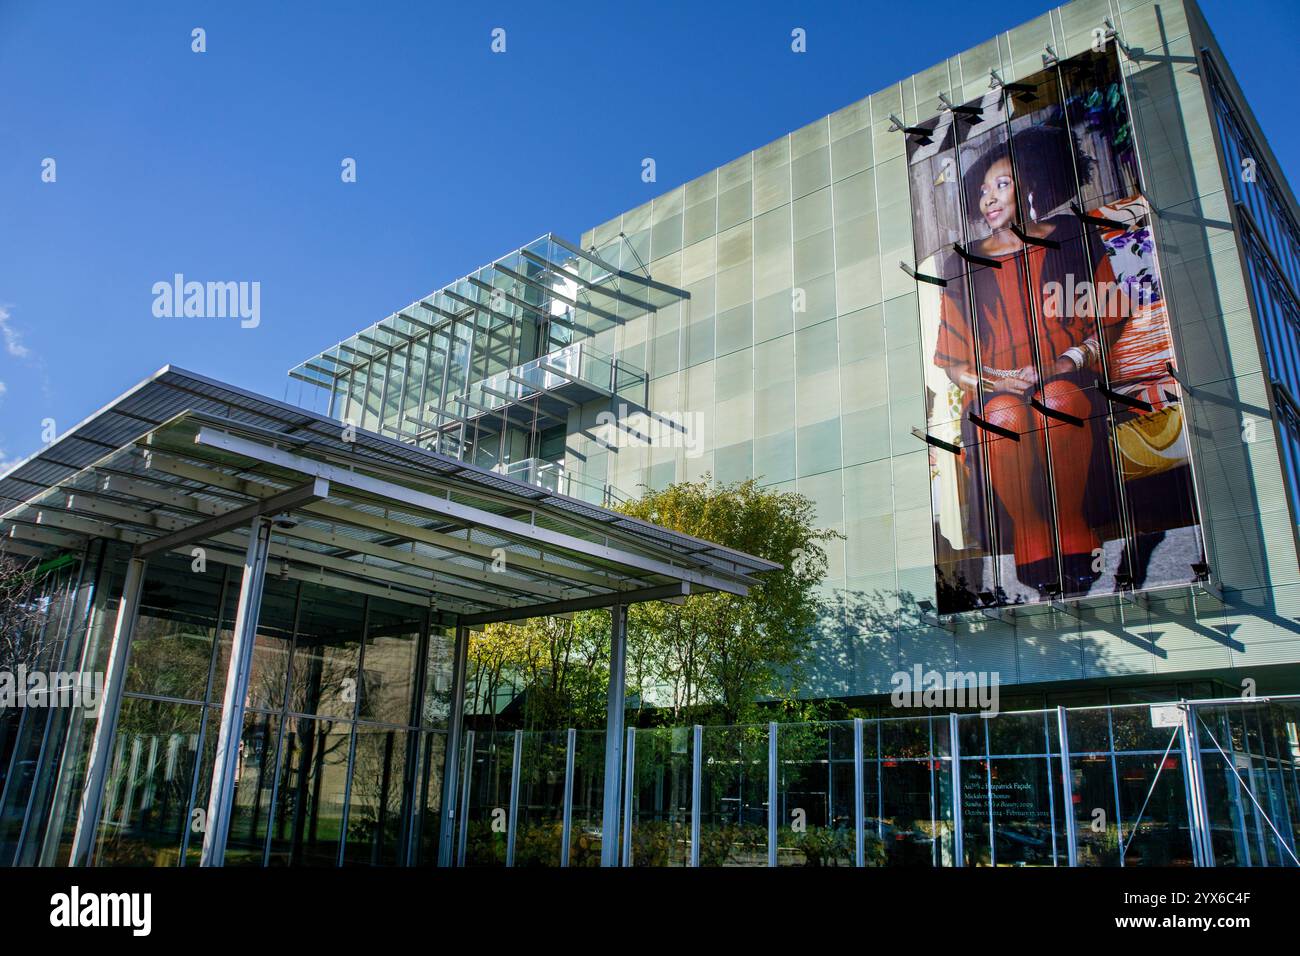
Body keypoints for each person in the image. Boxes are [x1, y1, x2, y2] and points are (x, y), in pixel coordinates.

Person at [934, 124, 1127, 597]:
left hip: (1067, 371)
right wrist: (994, 378)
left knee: (1058, 400)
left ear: (1031, 189)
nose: (989, 200)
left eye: (1001, 185)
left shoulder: (1073, 236)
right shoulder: (962, 263)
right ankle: (1032, 538)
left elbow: (1110, 315)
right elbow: (954, 360)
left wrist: (1065, 361)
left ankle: (1073, 528)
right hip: (996, 386)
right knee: (1002, 415)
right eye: (983, 192)